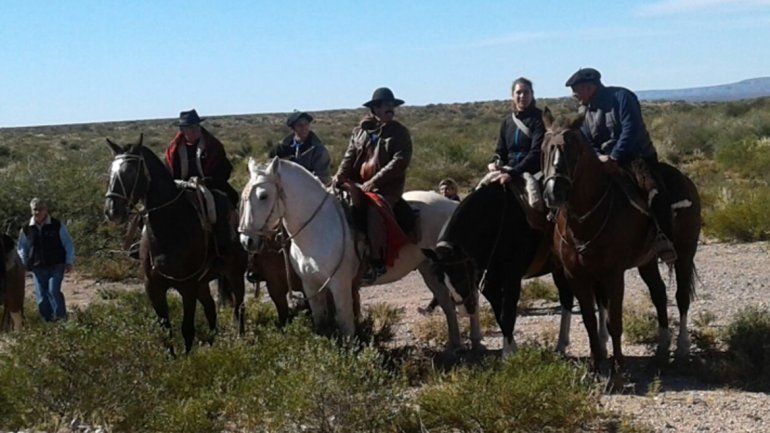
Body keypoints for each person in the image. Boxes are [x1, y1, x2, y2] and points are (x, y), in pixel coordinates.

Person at [566, 67, 676, 263]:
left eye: (576, 90)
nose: (574, 95)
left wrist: (615, 156)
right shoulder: (584, 110)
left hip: (635, 157)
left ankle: (663, 236)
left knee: (652, 190)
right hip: (602, 161)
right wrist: (598, 157)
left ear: (589, 87)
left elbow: (630, 130)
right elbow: (585, 139)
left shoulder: (622, 97)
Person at [333, 87, 414, 282]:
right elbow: (349, 156)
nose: (390, 108)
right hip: (358, 185)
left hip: (386, 189)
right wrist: (340, 175)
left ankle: (376, 262)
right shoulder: (360, 132)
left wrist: (373, 181)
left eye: (392, 105)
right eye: (385, 105)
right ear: (375, 109)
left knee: (374, 213)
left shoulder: (399, 133)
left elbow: (399, 162)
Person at [164, 109, 238, 261]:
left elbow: (224, 170)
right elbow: (169, 171)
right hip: (180, 186)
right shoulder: (174, 149)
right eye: (188, 128)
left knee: (220, 202)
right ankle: (153, 245)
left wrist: (207, 180)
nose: (192, 131)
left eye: (195, 127)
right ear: (182, 130)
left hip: (209, 185)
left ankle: (223, 245)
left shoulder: (213, 146)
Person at [17, 198, 74, 322]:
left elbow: (68, 243)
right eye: (34, 209)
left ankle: (61, 319)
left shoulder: (56, 225)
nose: (37, 212)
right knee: (41, 296)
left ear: (46, 210)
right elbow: (22, 248)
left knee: (53, 290)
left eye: (40, 209)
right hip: (37, 266)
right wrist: (23, 262)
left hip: (56, 264)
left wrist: (69, 261)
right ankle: (48, 322)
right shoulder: (27, 228)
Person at [488, 77, 544, 185]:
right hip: (507, 169)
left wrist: (513, 173)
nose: (522, 96)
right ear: (513, 96)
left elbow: (536, 152)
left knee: (534, 198)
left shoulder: (540, 119)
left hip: (532, 172)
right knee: (480, 190)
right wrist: (493, 162)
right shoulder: (507, 122)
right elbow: (501, 150)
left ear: (532, 95)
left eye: (526, 92)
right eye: (518, 92)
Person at [270, 111, 332, 185]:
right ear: (293, 128)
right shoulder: (281, 148)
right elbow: (270, 169)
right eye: (300, 125)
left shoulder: (318, 150)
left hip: (310, 191)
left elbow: (324, 179)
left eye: (306, 124)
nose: (304, 128)